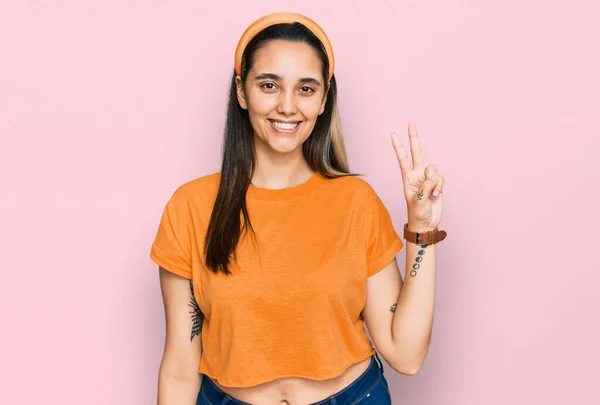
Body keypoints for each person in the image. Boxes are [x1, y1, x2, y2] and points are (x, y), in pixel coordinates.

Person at [150, 12, 446, 405]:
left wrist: (421, 229)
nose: (287, 106)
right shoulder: (190, 208)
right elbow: (180, 367)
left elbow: (405, 355)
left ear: (324, 99)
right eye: (269, 85)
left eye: (306, 89)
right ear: (242, 92)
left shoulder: (356, 202)